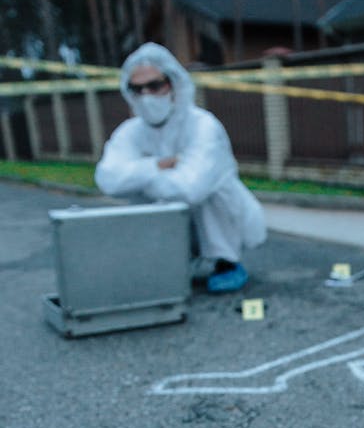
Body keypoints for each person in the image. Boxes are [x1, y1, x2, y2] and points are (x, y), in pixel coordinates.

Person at [95, 42, 266, 293]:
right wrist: (156, 166)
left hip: (215, 215)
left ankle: (226, 261)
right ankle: (166, 263)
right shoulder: (129, 132)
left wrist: (136, 173)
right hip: (169, 219)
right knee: (145, 196)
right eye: (137, 88)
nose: (146, 95)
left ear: (173, 83)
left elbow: (192, 188)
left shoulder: (203, 126)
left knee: (212, 192)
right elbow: (107, 179)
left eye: (154, 85)